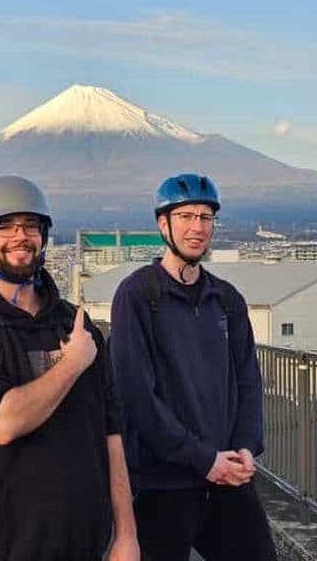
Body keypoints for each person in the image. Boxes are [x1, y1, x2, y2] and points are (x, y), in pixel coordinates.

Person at [0, 175, 138, 561]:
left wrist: (126, 534)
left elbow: (111, 433)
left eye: (30, 225)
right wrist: (72, 364)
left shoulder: (74, 324)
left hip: (81, 546)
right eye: (3, 225)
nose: (20, 235)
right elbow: (3, 424)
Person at [110, 173, 277, 561]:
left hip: (226, 477)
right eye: (185, 216)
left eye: (205, 217)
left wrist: (247, 447)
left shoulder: (226, 299)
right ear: (162, 224)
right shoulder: (137, 295)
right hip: (161, 482)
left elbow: (248, 380)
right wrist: (202, 459)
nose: (197, 227)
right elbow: (136, 395)